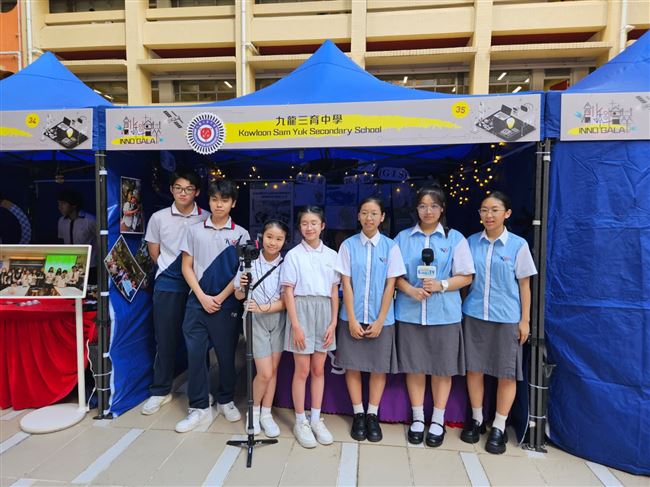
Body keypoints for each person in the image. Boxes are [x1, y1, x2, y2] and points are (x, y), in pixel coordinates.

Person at [394, 186, 475, 447]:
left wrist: (441, 285)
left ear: (442, 209)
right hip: (410, 312)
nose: (428, 211)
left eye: (433, 206)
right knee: (415, 366)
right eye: (422, 206)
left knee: (442, 368)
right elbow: (394, 276)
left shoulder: (456, 239)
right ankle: (418, 418)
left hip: (445, 314)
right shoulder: (402, 238)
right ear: (415, 209)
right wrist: (410, 289)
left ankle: (438, 420)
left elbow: (466, 276)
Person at [461, 191, 537, 454]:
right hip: (474, 315)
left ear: (507, 213)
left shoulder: (518, 245)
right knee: (474, 369)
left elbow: (525, 286)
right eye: (484, 210)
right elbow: (465, 279)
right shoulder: (471, 242)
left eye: (494, 210)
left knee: (506, 372)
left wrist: (525, 320)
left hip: (507, 318)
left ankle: (499, 425)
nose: (489, 215)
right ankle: (477, 419)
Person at [175, 179, 249, 433]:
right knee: (195, 355)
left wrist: (220, 297)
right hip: (196, 302)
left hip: (226, 304)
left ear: (233, 203)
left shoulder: (241, 234)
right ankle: (198, 407)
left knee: (226, 355)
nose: (219, 205)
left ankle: (226, 399)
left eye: (224, 200)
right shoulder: (194, 230)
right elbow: (186, 266)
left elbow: (242, 272)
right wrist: (202, 296)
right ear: (208, 201)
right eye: (215, 199)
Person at [335, 197, 406, 443]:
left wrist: (380, 321)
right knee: (352, 366)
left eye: (374, 213)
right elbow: (346, 284)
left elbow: (391, 286)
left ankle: (372, 414)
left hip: (381, 319)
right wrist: (352, 319)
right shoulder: (347, 246)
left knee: (378, 367)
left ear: (382, 217)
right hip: (352, 317)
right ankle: (358, 414)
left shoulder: (391, 247)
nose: (369, 218)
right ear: (358, 216)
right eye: (364, 212)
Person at [141, 170, 210, 416]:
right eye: (178, 188)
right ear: (171, 190)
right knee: (165, 338)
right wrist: (173, 271)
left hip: (198, 286)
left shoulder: (206, 217)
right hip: (168, 284)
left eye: (189, 189)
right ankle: (160, 390)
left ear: (197, 192)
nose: (183, 193)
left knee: (199, 340)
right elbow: (154, 253)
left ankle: (201, 391)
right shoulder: (158, 218)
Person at [281, 206, 339, 448]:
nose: (309, 227)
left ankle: (315, 419)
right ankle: (300, 421)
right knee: (302, 370)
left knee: (318, 369)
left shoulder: (332, 255)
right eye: (305, 223)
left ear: (322, 225)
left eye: (314, 223)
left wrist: (333, 323)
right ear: (299, 227)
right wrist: (296, 325)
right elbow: (288, 291)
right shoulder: (293, 255)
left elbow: (334, 291)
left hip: (324, 311)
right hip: (301, 310)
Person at [234, 220, 289, 438]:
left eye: (279, 239)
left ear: (284, 241)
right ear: (261, 237)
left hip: (278, 319)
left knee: (273, 371)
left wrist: (265, 307)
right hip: (255, 320)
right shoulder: (249, 261)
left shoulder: (287, 264)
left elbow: (287, 301)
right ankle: (254, 412)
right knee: (264, 372)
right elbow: (238, 295)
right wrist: (243, 286)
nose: (273, 242)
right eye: (269, 237)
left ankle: (267, 414)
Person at [57, 189, 97, 283]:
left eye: (63, 203)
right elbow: (61, 240)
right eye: (59, 204)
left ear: (74, 204)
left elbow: (102, 241)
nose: (60, 207)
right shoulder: (61, 221)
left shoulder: (90, 220)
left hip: (90, 266)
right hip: (69, 264)